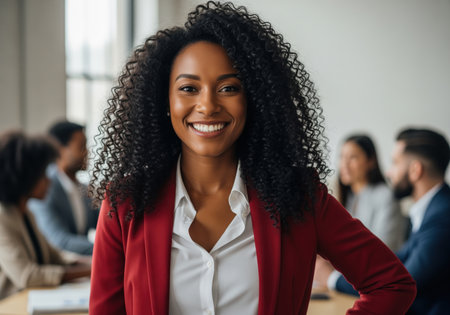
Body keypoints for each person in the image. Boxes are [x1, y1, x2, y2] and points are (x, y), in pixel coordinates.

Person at [88, 2, 416, 314]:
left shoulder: (298, 198)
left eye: (229, 88)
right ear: (163, 101)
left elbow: (391, 283)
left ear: (254, 99)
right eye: (189, 89)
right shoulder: (124, 205)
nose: (208, 106)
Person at [317, 128, 450, 314]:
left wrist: (332, 279)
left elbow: (397, 281)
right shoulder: (430, 209)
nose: (389, 173)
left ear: (415, 170)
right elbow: (396, 263)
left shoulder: (442, 216)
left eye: (395, 163)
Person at [0, 131, 91, 300]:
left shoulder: (25, 213)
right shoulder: (3, 218)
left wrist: (95, 262)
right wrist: (92, 269)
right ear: (25, 177)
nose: (49, 180)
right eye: (42, 175)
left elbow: (55, 256)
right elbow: (27, 276)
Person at [28, 121, 98, 255]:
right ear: (60, 149)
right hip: (60, 269)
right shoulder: (43, 188)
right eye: (82, 146)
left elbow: (105, 223)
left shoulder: (84, 189)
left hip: (82, 265)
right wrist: (107, 249)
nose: (87, 152)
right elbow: (59, 241)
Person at [337, 134, 407, 251]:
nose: (345, 164)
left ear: (371, 161)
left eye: (353, 157)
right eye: (342, 157)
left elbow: (384, 247)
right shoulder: (350, 197)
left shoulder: (386, 196)